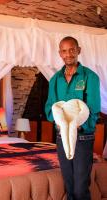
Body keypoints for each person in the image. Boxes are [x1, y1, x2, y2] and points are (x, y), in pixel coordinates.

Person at [45, 36, 100, 200]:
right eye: (64, 50)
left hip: (83, 137)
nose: (68, 54)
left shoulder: (90, 77)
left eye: (71, 50)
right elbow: (50, 107)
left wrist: (79, 125)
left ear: (78, 51)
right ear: (59, 53)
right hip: (62, 137)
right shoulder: (55, 80)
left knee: (80, 188)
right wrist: (59, 123)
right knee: (69, 186)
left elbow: (94, 109)